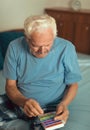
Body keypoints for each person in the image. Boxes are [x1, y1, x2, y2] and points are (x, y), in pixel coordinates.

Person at [2, 14, 81, 130]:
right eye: (35, 45)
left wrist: (64, 104)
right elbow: (10, 86)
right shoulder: (14, 47)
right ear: (27, 38)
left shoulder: (66, 48)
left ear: (54, 37)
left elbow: (73, 84)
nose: (42, 51)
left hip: (52, 107)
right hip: (18, 100)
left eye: (48, 44)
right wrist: (24, 102)